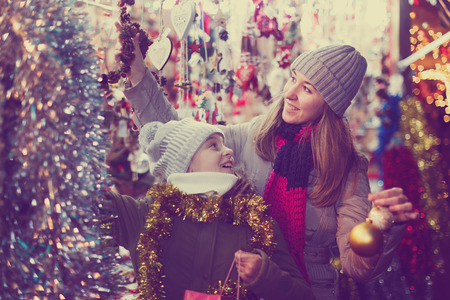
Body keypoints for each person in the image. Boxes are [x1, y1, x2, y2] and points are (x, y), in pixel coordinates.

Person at [119, 39, 418, 299]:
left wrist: (382, 227)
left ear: (330, 105)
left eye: (307, 89)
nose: (289, 93)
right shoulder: (255, 135)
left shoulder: (347, 168)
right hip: (242, 288)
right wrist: (138, 77)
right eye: (292, 79)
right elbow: (181, 137)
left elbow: (356, 265)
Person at [105, 118, 314, 300]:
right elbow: (89, 203)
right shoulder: (149, 214)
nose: (229, 151)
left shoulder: (255, 220)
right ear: (188, 166)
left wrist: (265, 275)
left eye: (224, 144)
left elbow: (303, 296)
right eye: (213, 145)